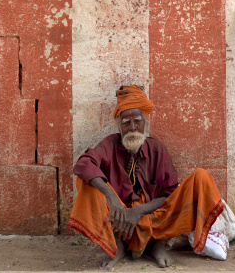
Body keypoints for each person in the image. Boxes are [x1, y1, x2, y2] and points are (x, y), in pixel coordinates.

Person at [68, 85, 224, 268]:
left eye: (137, 121)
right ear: (119, 125)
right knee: (87, 181)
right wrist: (112, 198)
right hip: (118, 220)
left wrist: (140, 210)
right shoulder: (109, 144)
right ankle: (117, 247)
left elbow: (170, 196)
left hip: (154, 220)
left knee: (202, 177)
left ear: (145, 122)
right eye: (126, 122)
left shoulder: (157, 149)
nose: (132, 127)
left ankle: (156, 245)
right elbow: (84, 163)